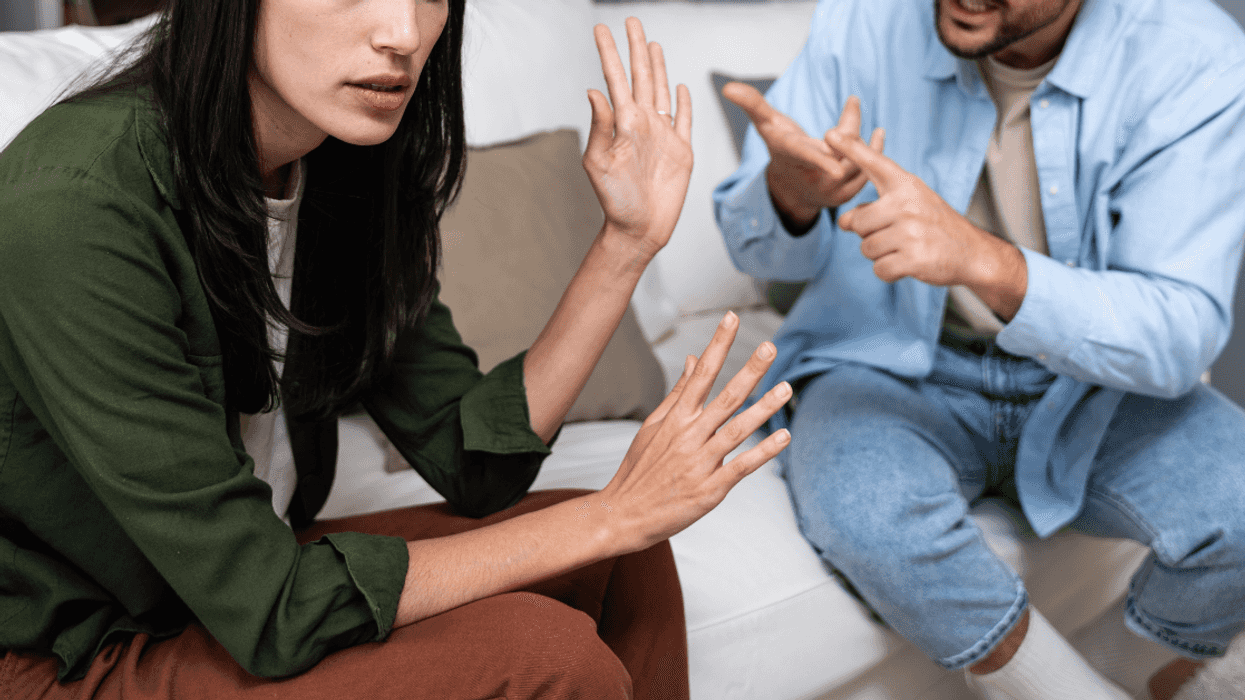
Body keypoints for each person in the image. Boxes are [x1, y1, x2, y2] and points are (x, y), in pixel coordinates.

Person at [0, 1, 795, 698]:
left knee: (627, 561)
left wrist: (626, 242)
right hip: (80, 648)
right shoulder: (73, 205)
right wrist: (610, 513)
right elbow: (271, 608)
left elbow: (472, 461)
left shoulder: (343, 164)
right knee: (547, 654)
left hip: (235, 586)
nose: (403, 32)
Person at [713, 0, 1245, 698]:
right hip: (888, 365)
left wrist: (987, 263)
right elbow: (755, 245)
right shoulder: (861, 19)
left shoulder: (1193, 56)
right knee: (870, 512)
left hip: (1089, 382)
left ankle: (1114, 674)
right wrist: (789, 194)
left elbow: (1178, 334)